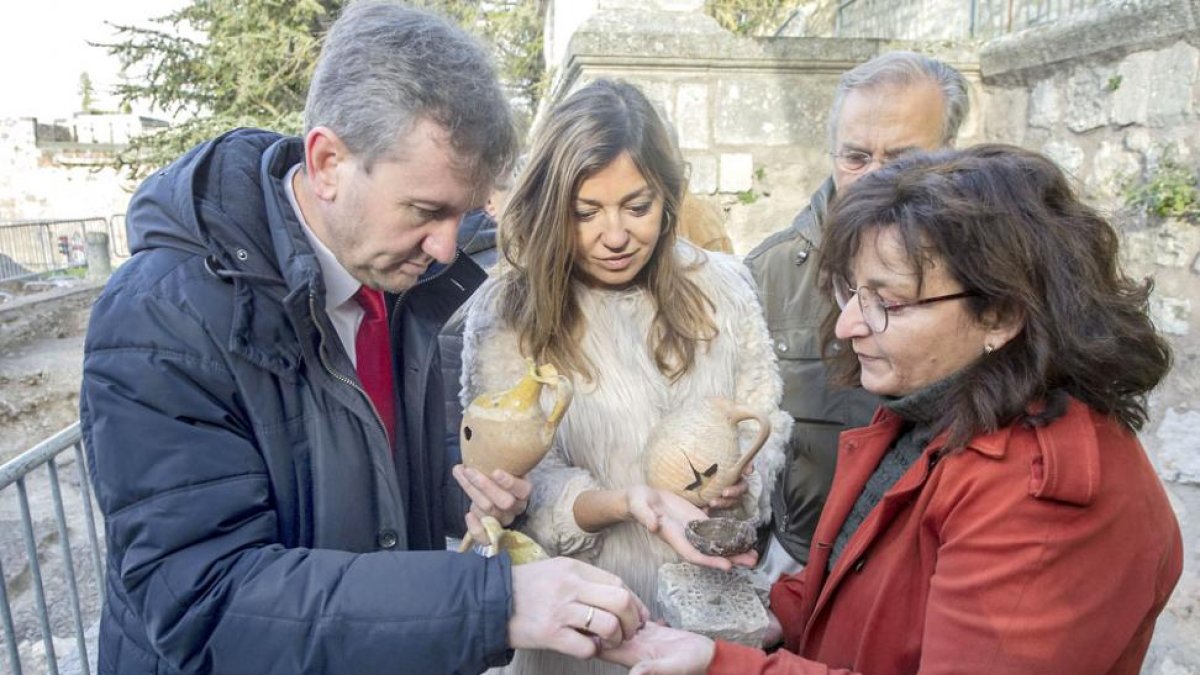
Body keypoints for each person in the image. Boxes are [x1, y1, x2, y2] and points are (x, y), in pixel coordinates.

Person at [79, 4, 646, 674]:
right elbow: (204, 598)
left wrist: (465, 489)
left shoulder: (389, 277)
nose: (444, 247)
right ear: (327, 162)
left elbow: (367, 467)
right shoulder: (160, 319)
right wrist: (492, 603)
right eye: (427, 211)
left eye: (462, 215)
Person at [601, 144, 1184, 674]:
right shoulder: (933, 413)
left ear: (1002, 316)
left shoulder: (1047, 505)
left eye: (890, 302)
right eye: (851, 292)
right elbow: (868, 596)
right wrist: (774, 611)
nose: (851, 325)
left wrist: (723, 665)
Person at [458, 78, 790, 674]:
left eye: (637, 207)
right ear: (550, 205)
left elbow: (763, 416)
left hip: (708, 621)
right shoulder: (508, 310)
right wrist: (625, 502)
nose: (615, 236)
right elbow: (518, 487)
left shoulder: (724, 289)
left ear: (668, 197)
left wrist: (741, 479)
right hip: (580, 627)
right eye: (585, 213)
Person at [744, 51, 972, 577]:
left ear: (950, 153)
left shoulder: (987, 274)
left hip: (928, 564)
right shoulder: (766, 275)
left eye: (900, 158)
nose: (874, 178)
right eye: (855, 157)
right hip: (798, 564)